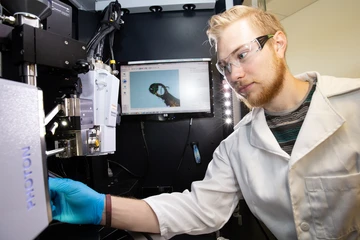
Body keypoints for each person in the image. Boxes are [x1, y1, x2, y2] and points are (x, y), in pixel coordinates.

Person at [49, 5, 360, 240]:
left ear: (278, 44)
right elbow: (199, 210)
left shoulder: (353, 105)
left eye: (243, 55)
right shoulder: (237, 146)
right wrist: (103, 209)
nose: (234, 76)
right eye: (224, 66)